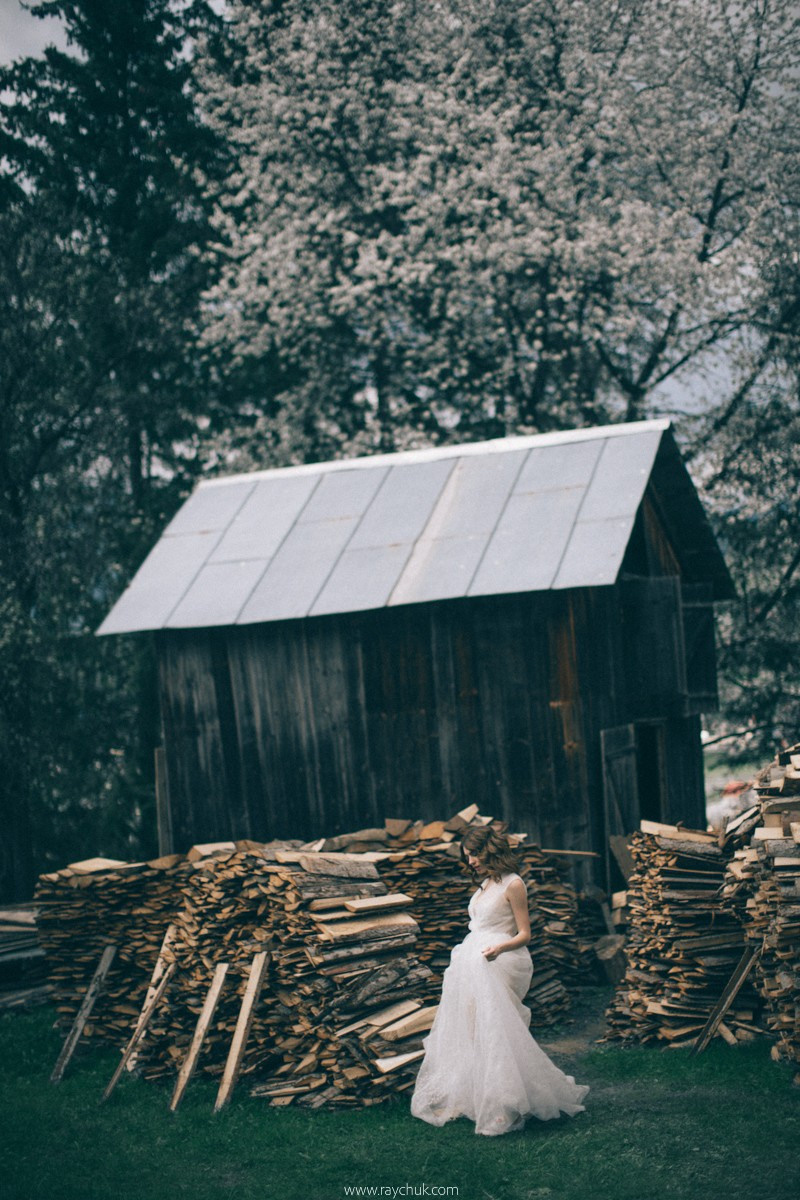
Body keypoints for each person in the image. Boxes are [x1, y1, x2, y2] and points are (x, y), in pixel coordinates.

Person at [410, 824, 589, 1136]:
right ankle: (477, 1097)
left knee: (495, 1029)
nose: (471, 862)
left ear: (490, 850)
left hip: (499, 959)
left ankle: (504, 1106)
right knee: (470, 1028)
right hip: (472, 960)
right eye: (467, 857)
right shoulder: (484, 886)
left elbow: (524, 934)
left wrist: (498, 948)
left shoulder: (513, 884)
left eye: (475, 854)